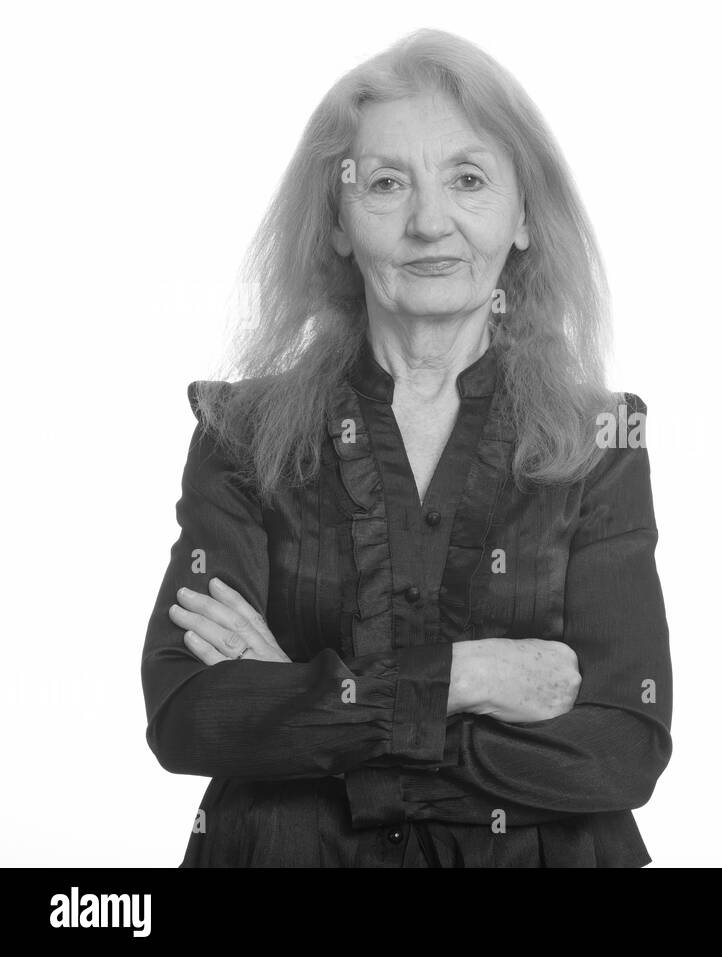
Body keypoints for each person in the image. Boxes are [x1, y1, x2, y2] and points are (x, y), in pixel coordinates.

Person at [139, 28, 672, 867]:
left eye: (468, 179)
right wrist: (464, 680)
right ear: (340, 224)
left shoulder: (595, 444)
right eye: (386, 183)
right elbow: (189, 715)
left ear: (525, 215)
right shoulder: (242, 437)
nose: (430, 222)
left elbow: (623, 746)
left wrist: (314, 706)